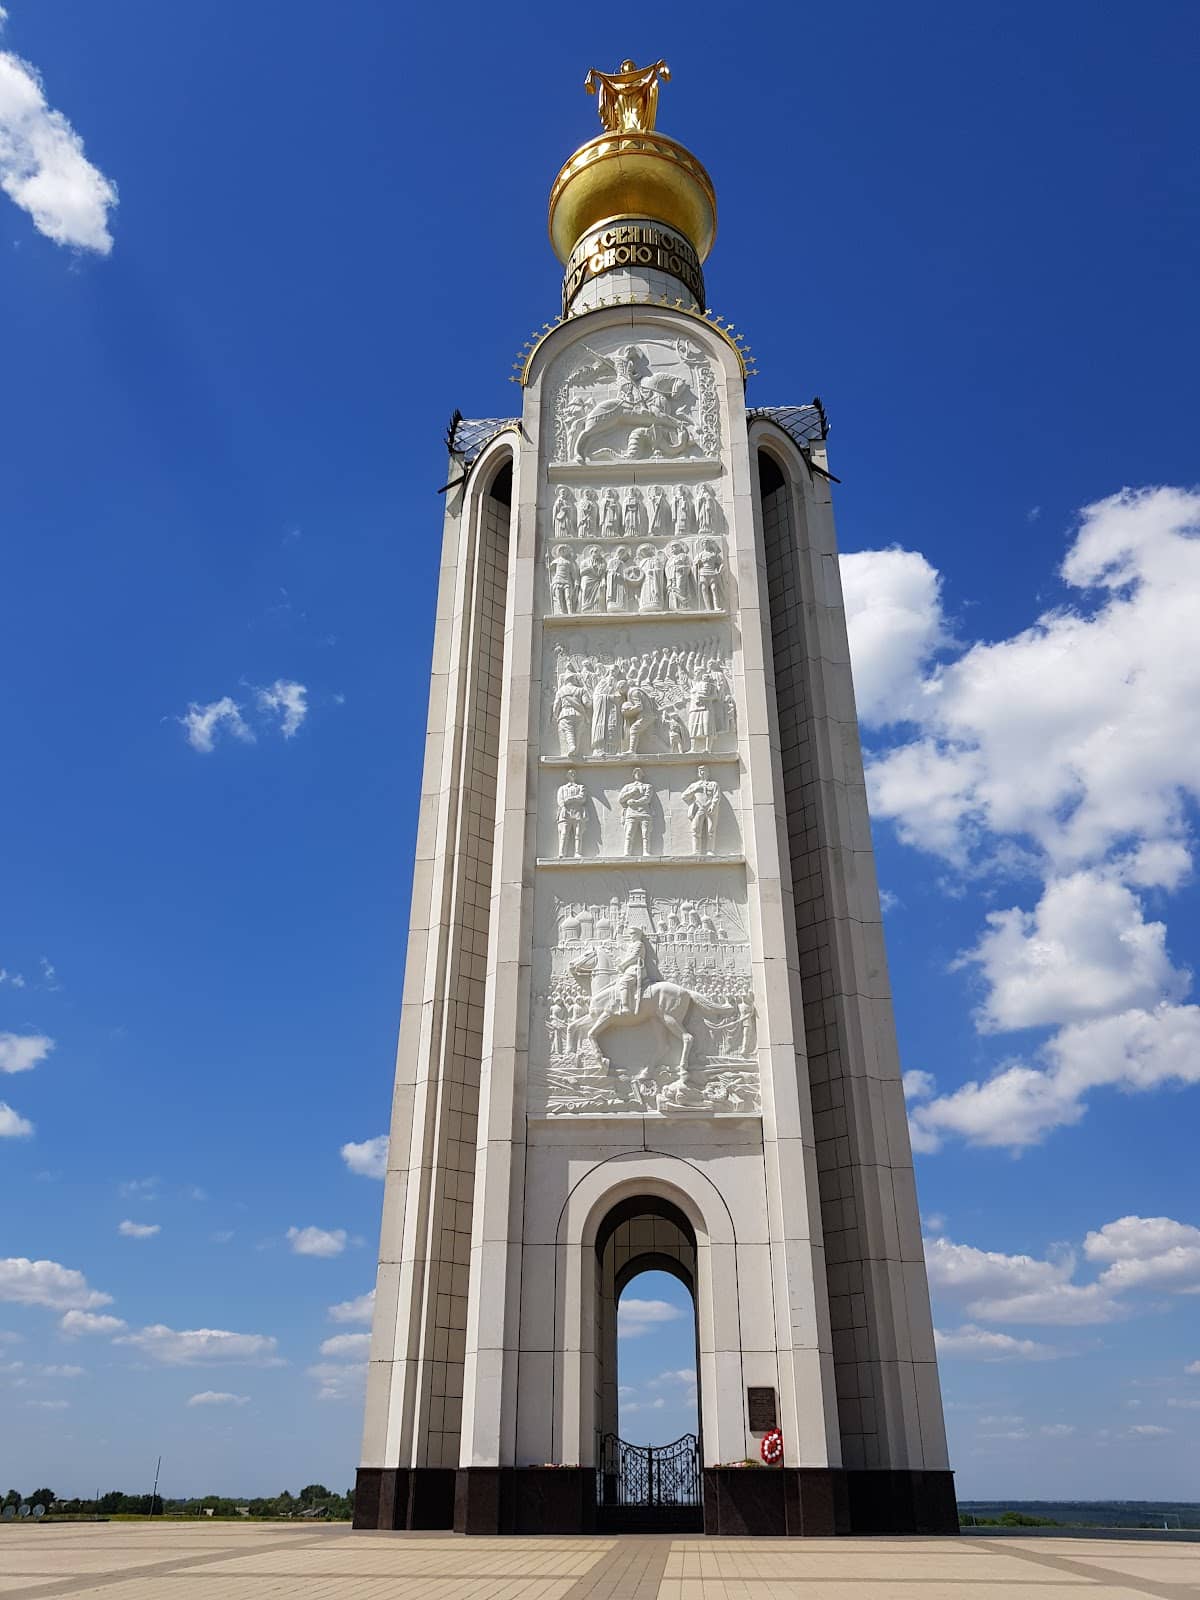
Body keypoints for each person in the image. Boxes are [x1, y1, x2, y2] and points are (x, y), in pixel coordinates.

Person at [681, 766, 720, 855]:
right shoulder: (694, 785)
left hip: (709, 808)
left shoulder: (713, 784)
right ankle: (696, 851)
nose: (702, 772)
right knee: (695, 828)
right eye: (700, 771)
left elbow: (716, 796)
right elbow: (684, 796)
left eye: (704, 771)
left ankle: (710, 850)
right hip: (699, 808)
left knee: (711, 829)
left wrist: (713, 806)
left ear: (708, 772)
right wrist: (695, 790)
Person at [617, 768, 654, 856]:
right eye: (636, 772)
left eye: (640, 772)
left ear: (642, 774)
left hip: (644, 812)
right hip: (631, 813)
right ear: (633, 774)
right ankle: (627, 852)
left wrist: (635, 802)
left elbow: (647, 798)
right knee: (629, 832)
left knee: (645, 833)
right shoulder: (628, 787)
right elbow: (621, 799)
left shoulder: (647, 786)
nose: (638, 774)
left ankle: (646, 851)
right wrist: (631, 792)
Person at [553, 672, 590, 758]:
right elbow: (587, 703)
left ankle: (572, 746)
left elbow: (556, 705)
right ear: (574, 680)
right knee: (578, 732)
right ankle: (576, 750)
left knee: (568, 731)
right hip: (579, 714)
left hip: (565, 713)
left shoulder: (561, 691)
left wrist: (555, 715)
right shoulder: (581, 690)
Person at [556, 769, 587, 858]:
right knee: (564, 832)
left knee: (578, 833)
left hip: (577, 812)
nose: (572, 775)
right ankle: (562, 852)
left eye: (574, 773)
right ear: (567, 775)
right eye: (570, 773)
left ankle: (577, 852)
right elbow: (560, 800)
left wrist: (570, 799)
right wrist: (564, 805)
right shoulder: (562, 788)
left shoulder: (581, 787)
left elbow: (582, 798)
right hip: (566, 812)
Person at [695, 539, 725, 611]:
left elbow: (721, 563)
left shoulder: (714, 554)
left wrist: (719, 570)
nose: (706, 545)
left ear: (709, 544)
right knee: (704, 590)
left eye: (707, 543)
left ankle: (716, 606)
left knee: (714, 589)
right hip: (703, 573)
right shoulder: (700, 554)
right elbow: (695, 564)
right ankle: (707, 607)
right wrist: (697, 562)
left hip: (712, 573)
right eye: (704, 543)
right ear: (702, 545)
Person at [547, 545, 577, 615]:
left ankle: (570, 611)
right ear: (558, 552)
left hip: (567, 580)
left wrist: (576, 581)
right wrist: (547, 561)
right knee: (559, 596)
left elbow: (573, 573)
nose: (563, 551)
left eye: (565, 550)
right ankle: (561, 611)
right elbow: (550, 569)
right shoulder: (556, 561)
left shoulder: (569, 562)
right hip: (558, 579)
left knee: (568, 596)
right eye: (561, 550)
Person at [665, 542, 694, 611]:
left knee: (680, 589)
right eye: (671, 547)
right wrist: (669, 577)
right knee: (672, 590)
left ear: (679, 547)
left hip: (681, 575)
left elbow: (688, 566)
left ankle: (683, 605)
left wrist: (682, 568)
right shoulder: (670, 559)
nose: (672, 548)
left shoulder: (684, 556)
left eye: (674, 546)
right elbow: (667, 568)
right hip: (671, 577)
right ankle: (674, 606)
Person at [577, 545, 606, 612]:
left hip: (597, 580)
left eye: (598, 552)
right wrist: (589, 568)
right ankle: (585, 608)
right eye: (595, 552)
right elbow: (581, 572)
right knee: (585, 590)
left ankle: (596, 608)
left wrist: (603, 580)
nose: (596, 553)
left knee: (598, 593)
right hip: (587, 579)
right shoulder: (585, 562)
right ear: (591, 553)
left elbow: (602, 572)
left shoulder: (601, 562)